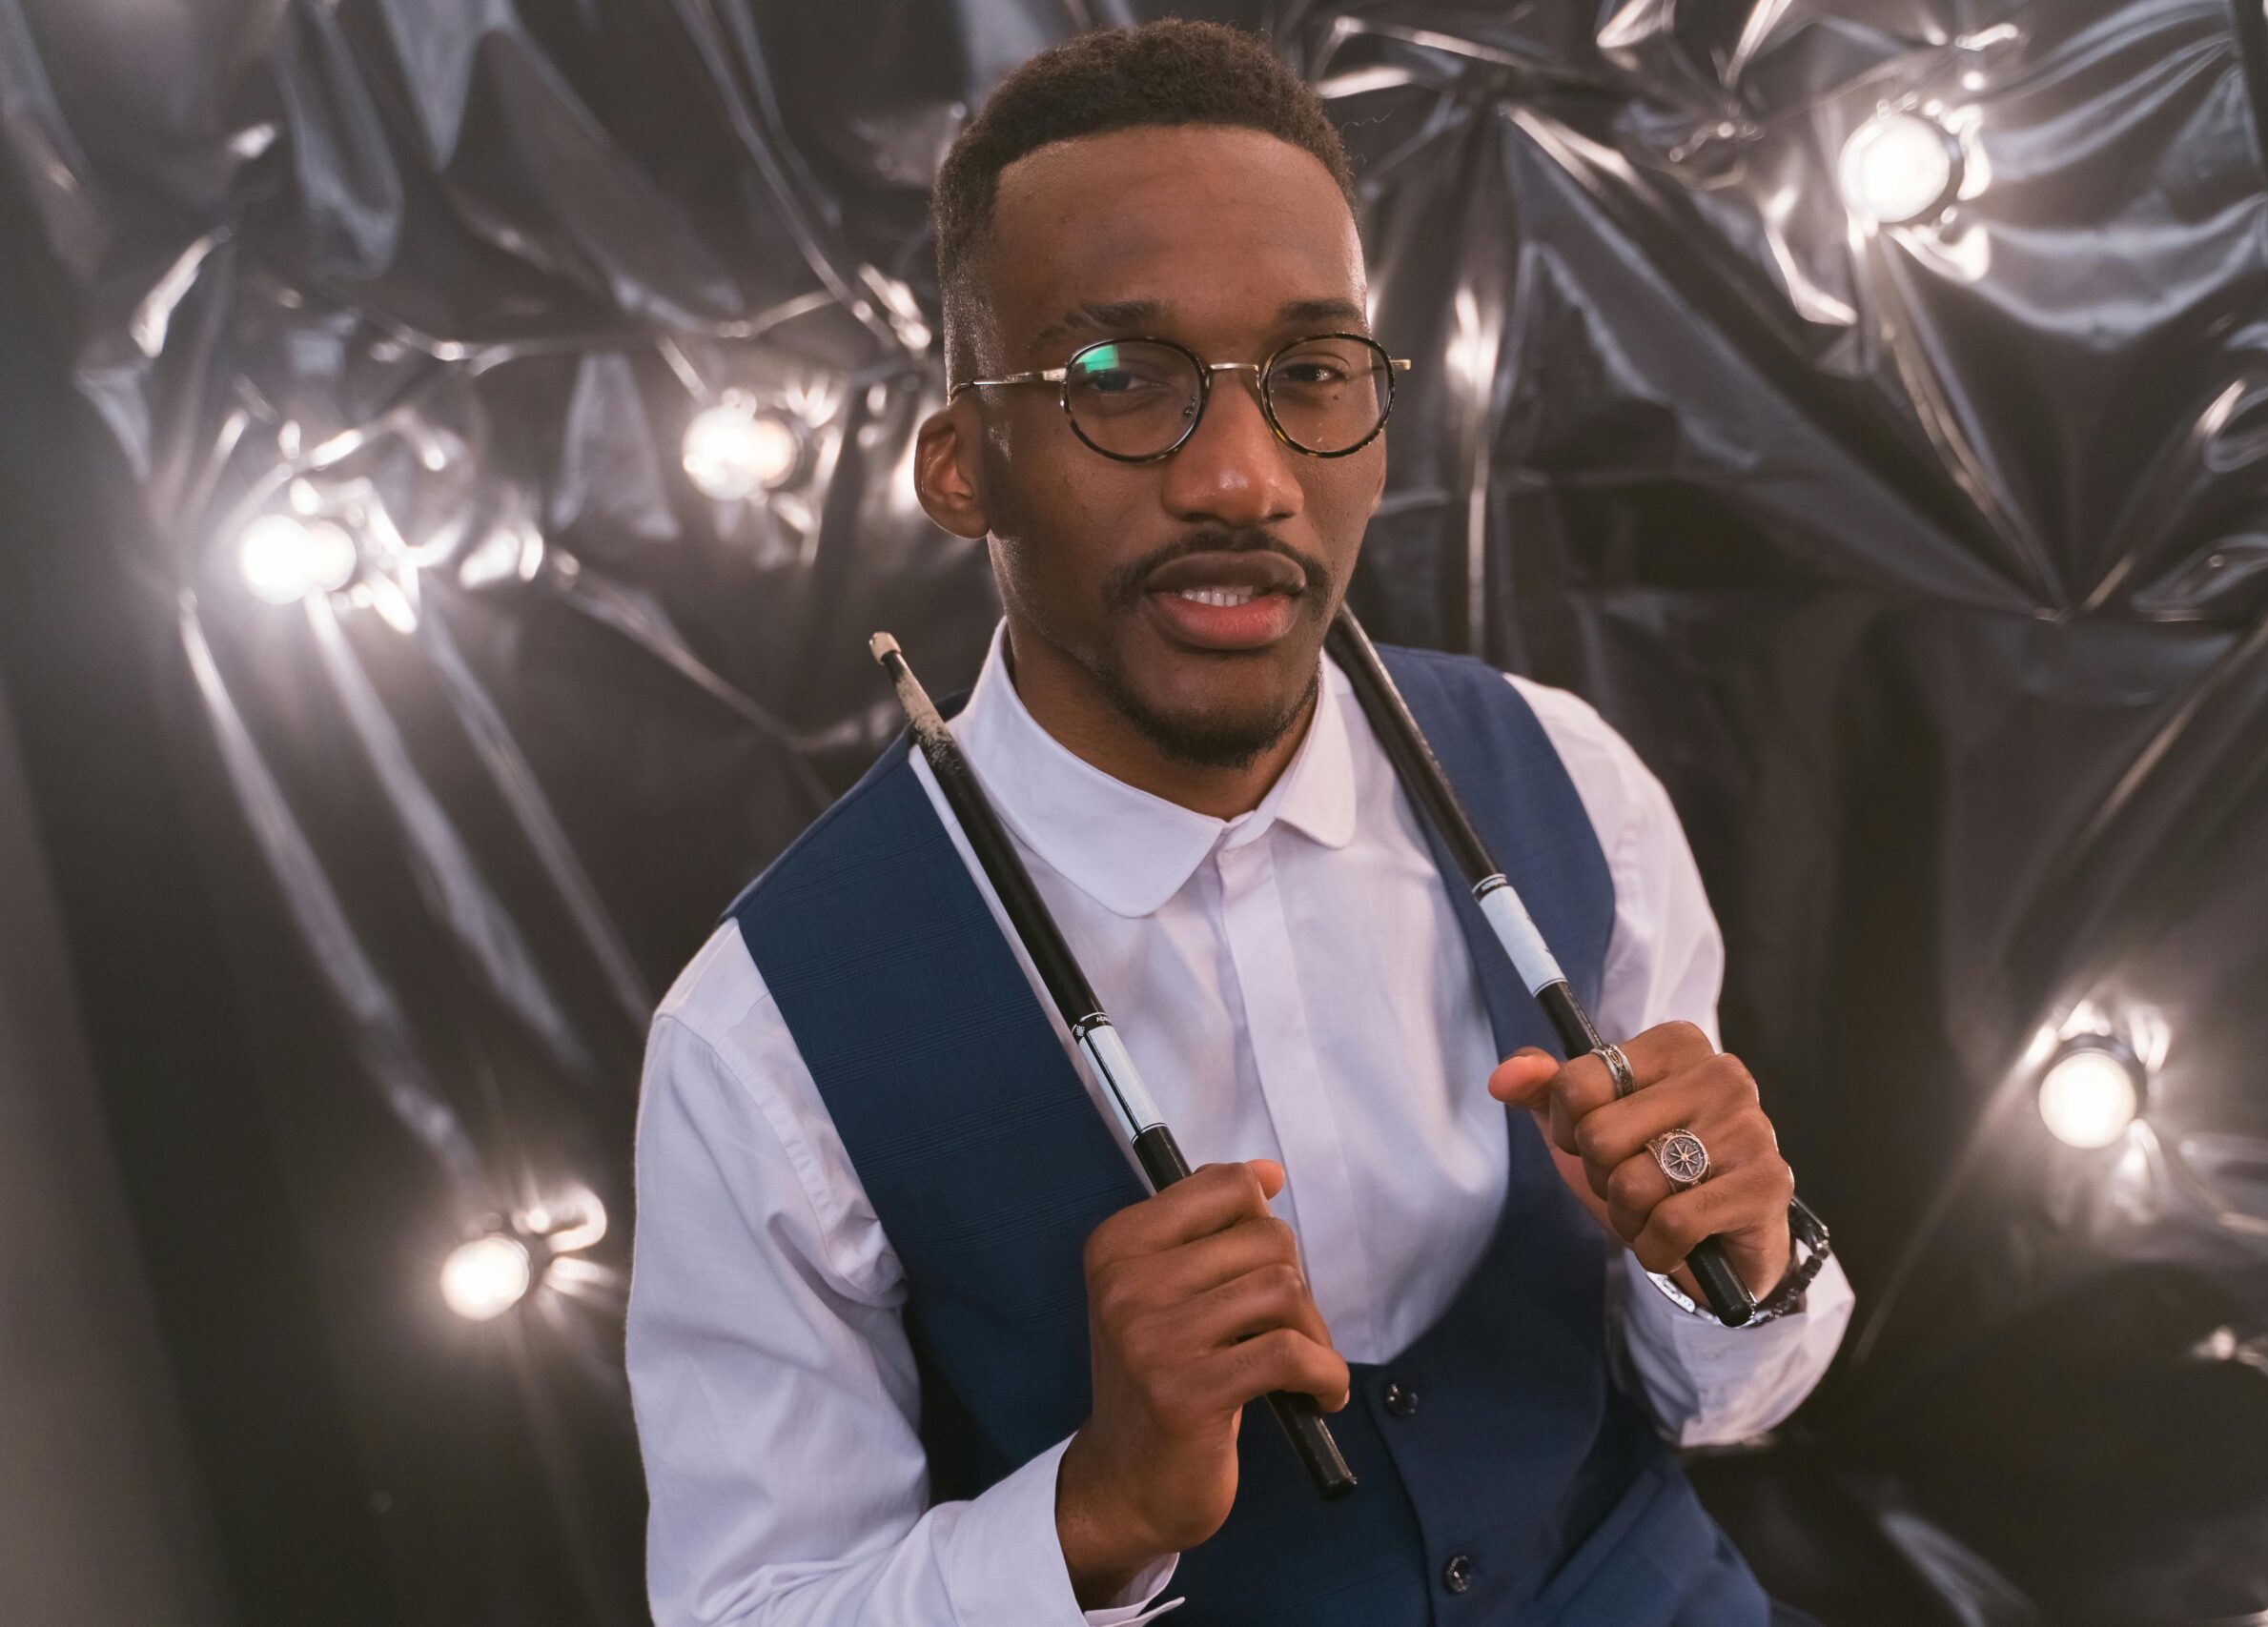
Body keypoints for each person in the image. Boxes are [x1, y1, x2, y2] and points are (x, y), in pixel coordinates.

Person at [625, 19, 1853, 1626]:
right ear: (958, 466)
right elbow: (754, 1610)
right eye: (1118, 381)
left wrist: (1743, 1260)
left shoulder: (1568, 787)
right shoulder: (760, 1037)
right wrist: (1095, 1510)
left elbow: (1725, 1397)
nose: (1240, 476)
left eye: (1311, 374)